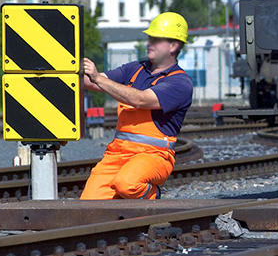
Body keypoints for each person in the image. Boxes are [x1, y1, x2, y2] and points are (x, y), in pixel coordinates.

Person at [80, 12, 193, 200]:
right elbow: (93, 83)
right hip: (117, 152)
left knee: (127, 184)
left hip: (154, 156)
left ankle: (152, 196)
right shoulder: (135, 69)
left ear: (173, 46)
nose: (150, 43)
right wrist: (67, 69)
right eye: (150, 38)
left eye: (156, 39)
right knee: (89, 206)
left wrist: (97, 77)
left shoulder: (180, 83)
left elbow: (141, 99)